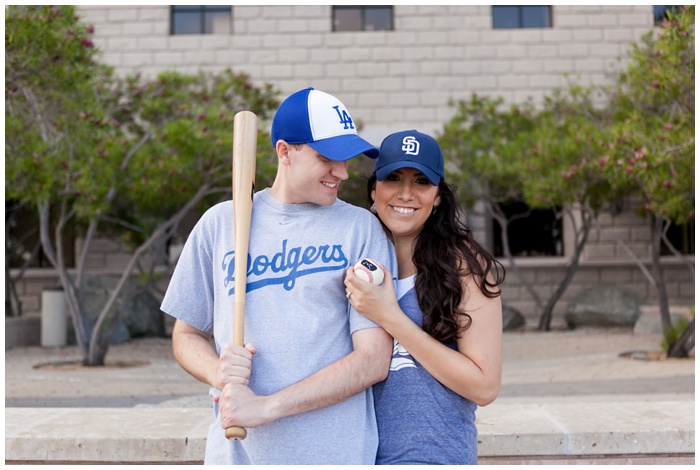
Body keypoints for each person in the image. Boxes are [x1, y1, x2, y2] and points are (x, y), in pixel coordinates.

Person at [161, 87, 397, 465]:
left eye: (347, 159)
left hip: (336, 456)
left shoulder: (361, 229)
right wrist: (218, 372)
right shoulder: (220, 224)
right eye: (327, 158)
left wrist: (267, 407)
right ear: (284, 151)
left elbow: (372, 360)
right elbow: (186, 335)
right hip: (238, 456)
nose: (343, 172)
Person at [343, 129, 505, 465]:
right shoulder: (354, 259)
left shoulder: (464, 266)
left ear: (438, 196)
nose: (405, 194)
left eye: (421, 182)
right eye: (393, 178)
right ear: (374, 189)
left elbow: (484, 386)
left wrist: (390, 317)